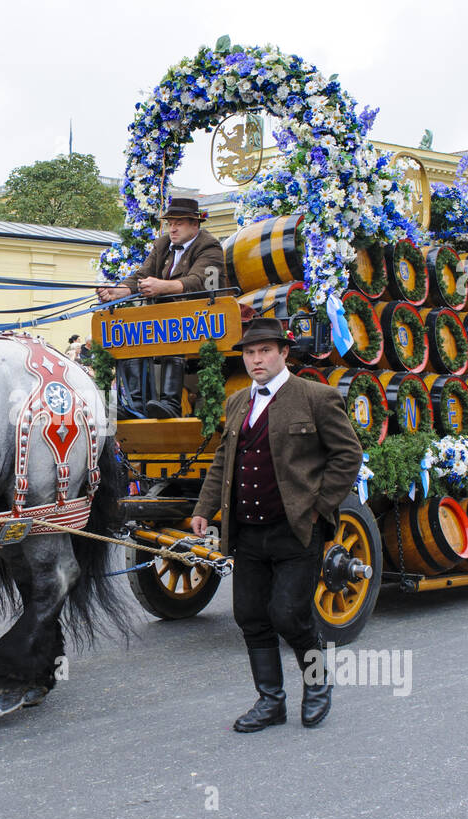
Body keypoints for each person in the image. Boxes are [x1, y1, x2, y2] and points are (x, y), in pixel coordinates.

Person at [190, 318, 362, 732]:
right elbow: (222, 463)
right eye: (249, 353)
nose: (256, 359)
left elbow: (348, 455)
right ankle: (271, 701)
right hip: (247, 531)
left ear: (284, 353)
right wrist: (204, 507)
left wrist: (320, 507)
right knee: (250, 615)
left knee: (290, 616)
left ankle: (317, 684)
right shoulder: (236, 403)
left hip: (296, 528)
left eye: (265, 351)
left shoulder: (316, 397)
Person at [96, 198, 225, 419]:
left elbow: (197, 281)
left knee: (172, 330)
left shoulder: (209, 246)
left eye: (179, 223)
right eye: (170, 223)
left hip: (201, 319)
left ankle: (171, 403)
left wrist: (163, 286)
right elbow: (141, 276)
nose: (172, 228)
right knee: (127, 333)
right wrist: (119, 290)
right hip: (164, 320)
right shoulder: (162, 244)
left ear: (195, 224)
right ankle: (134, 404)